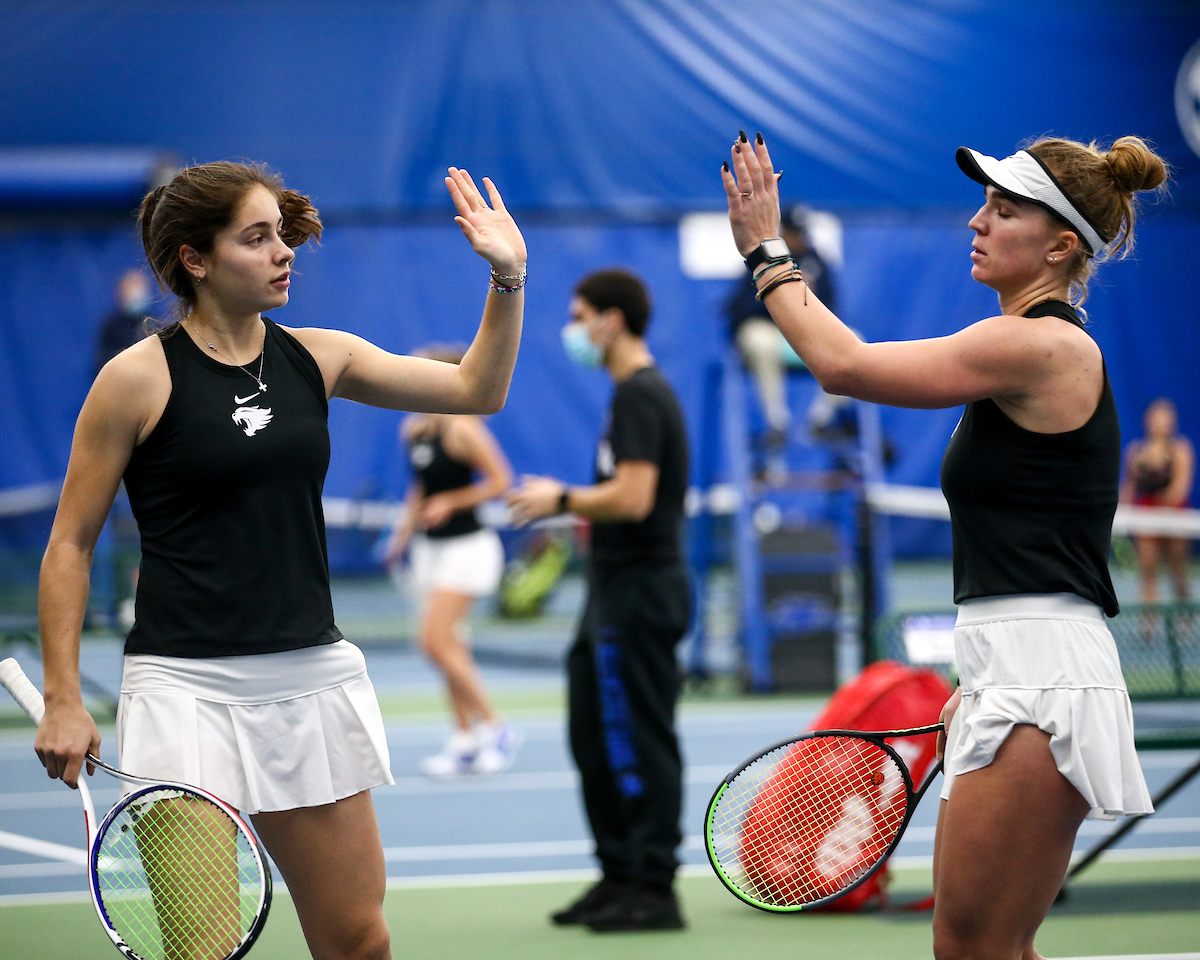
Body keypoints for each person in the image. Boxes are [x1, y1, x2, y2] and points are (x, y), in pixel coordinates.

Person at [35, 160, 526, 960]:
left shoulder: (320, 356)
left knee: (359, 942)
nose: (283, 252)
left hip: (310, 684)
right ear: (195, 259)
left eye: (282, 236)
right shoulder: (134, 381)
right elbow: (69, 544)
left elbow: (477, 389)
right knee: (204, 951)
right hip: (183, 688)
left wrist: (507, 278)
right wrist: (63, 695)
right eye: (256, 238)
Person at [722, 129, 1165, 958]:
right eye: (983, 205)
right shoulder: (1016, 348)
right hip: (1005, 662)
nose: (978, 221)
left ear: (1061, 245)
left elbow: (842, 365)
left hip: (1043, 674)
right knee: (988, 946)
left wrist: (764, 250)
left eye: (1004, 210)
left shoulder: (1041, 343)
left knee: (974, 950)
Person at [507, 268, 690, 932]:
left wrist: (560, 499)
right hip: (611, 594)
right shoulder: (626, 396)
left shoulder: (643, 394)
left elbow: (635, 498)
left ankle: (654, 887)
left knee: (634, 738)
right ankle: (617, 875)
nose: (574, 328)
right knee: (593, 737)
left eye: (581, 313)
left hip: (641, 594)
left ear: (612, 320)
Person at [384, 345, 521, 776]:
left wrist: (452, 501)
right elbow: (420, 487)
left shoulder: (464, 431)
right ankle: (465, 739)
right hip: (430, 550)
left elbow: (501, 481)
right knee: (449, 648)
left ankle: (498, 728)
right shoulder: (413, 430)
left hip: (469, 550)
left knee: (434, 642)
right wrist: (402, 534)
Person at [724, 204, 836, 452]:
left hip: (807, 334)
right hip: (770, 331)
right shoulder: (763, 258)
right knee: (760, 341)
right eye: (793, 232)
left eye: (802, 233)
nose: (799, 239)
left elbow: (832, 309)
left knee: (854, 340)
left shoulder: (816, 262)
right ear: (783, 231)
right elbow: (739, 310)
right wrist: (781, 303)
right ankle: (777, 422)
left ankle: (820, 420)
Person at [1120, 397, 1194, 603]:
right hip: (1145, 518)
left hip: (1175, 516)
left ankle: (1184, 623)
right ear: (1148, 420)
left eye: (1167, 416)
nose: (1162, 421)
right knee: (1148, 573)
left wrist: (1162, 509)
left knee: (1178, 573)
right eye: (1158, 415)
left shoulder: (1181, 449)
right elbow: (1128, 490)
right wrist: (1119, 518)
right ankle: (1148, 628)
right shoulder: (1136, 452)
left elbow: (1179, 490)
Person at [93, 268, 155, 372]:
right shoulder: (112, 325)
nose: (136, 294)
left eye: (140, 287)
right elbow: (100, 362)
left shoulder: (155, 323)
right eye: (131, 288)